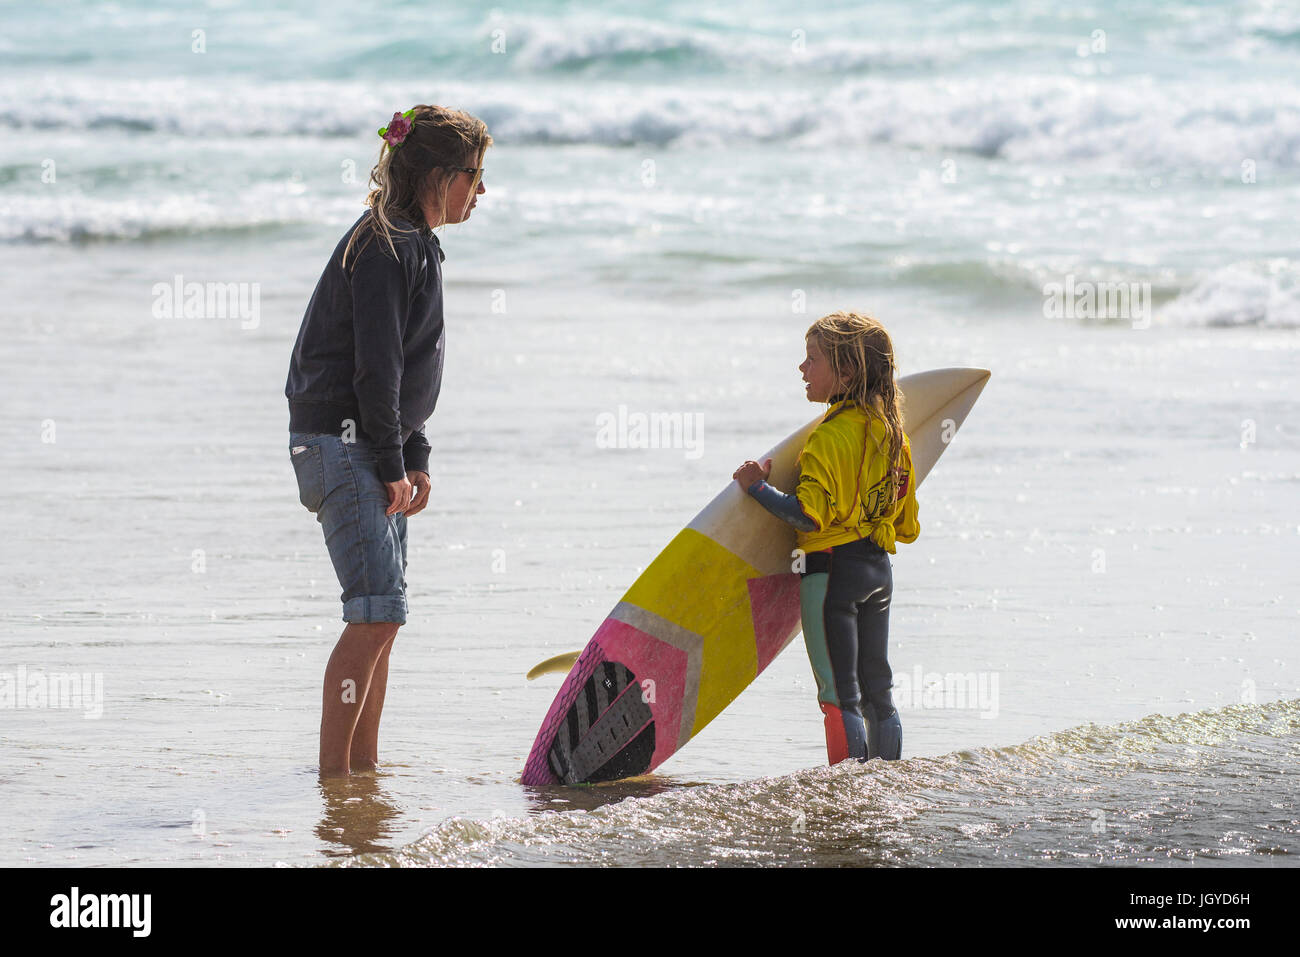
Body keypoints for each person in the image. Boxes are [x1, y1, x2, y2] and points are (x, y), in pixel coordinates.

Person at [285, 105, 492, 778]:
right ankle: (334, 778)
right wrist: (387, 458)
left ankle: (362, 769)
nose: (481, 190)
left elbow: (404, 365)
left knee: (386, 617)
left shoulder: (415, 241)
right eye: (473, 174)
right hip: (342, 444)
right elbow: (376, 366)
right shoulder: (384, 245)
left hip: (370, 444)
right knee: (372, 615)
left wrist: (415, 453)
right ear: (436, 175)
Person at [732, 311, 919, 764]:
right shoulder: (895, 436)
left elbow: (807, 516)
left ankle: (847, 792)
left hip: (830, 572)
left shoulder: (829, 437)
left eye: (812, 359)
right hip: (878, 571)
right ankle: (886, 782)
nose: (802, 368)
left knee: (839, 695)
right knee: (879, 692)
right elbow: (907, 525)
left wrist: (756, 487)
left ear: (847, 372)